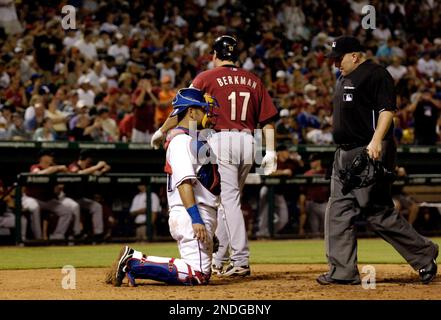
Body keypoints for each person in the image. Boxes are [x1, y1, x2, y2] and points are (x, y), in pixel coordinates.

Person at [150, 35, 278, 277]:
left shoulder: (206, 76)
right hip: (249, 141)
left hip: (220, 139)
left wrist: (161, 130)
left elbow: (184, 106)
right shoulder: (253, 79)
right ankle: (219, 260)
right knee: (229, 202)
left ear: (214, 55)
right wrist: (270, 150)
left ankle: (240, 259)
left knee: (227, 202)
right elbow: (268, 120)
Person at [317, 36, 438, 285]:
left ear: (355, 55)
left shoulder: (376, 74)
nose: (335, 63)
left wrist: (376, 141)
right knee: (338, 211)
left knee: (377, 212)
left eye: (339, 58)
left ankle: (424, 254)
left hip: (367, 151)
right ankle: (342, 272)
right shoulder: (344, 77)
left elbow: (387, 111)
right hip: (344, 153)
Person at [106, 87, 220, 286]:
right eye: (204, 109)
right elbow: (184, 182)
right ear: (191, 112)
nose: (209, 115)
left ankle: (134, 261)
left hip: (200, 211)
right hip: (191, 212)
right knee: (198, 274)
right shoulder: (181, 142)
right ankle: (133, 261)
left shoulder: (192, 139)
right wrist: (196, 219)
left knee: (199, 272)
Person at [67, 149, 109, 241]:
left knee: (96, 206)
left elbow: (97, 173)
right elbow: (79, 173)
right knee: (75, 206)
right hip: (68, 198)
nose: (90, 160)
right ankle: (77, 233)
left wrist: (104, 169)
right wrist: (97, 166)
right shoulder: (73, 165)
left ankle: (98, 234)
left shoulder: (88, 167)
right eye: (89, 158)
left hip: (80, 199)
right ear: (86, 158)